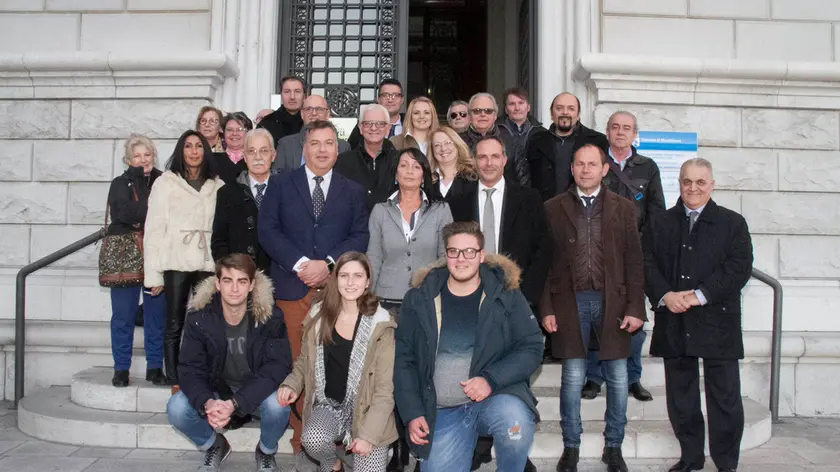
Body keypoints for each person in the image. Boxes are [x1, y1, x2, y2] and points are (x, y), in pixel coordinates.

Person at [258, 120, 370, 468]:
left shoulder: (353, 190)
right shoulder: (279, 185)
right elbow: (267, 230)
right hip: (293, 288)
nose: (322, 149)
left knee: (335, 364)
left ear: (338, 150)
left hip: (337, 292)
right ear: (303, 148)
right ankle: (300, 437)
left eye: (329, 144)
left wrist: (330, 264)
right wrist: (302, 263)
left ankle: (339, 431)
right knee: (297, 364)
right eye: (316, 143)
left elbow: (359, 235)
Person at [394, 221, 543, 472]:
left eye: (469, 252)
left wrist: (490, 379)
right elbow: (404, 360)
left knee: (515, 425)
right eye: (454, 251)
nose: (461, 259)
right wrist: (412, 412)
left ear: (481, 256)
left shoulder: (506, 295)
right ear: (446, 255)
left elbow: (532, 346)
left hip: (496, 398)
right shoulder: (419, 298)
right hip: (442, 409)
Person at [643, 158, 753, 472]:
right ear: (679, 184)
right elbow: (646, 263)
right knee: (681, 397)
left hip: (717, 322)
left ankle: (726, 462)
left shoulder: (733, 223)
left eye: (700, 182)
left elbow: (738, 268)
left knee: (725, 398)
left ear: (712, 185)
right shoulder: (660, 222)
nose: (693, 188)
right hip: (674, 319)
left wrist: (698, 296)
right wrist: (665, 295)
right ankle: (691, 457)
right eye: (687, 182)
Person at [540, 144, 646, 472]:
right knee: (572, 376)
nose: (586, 170)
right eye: (580, 164)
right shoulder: (551, 208)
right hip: (568, 302)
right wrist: (546, 307)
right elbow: (543, 263)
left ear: (604, 169)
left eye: (592, 164)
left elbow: (634, 261)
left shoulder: (625, 209)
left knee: (616, 375)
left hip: (612, 301)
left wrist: (635, 307)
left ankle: (613, 447)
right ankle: (571, 446)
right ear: (571, 169)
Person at [448, 136, 549, 472]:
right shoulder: (458, 200)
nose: (488, 163)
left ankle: (512, 443)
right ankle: (476, 445)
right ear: (474, 161)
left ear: (505, 160)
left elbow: (542, 251)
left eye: (495, 156)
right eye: (482, 157)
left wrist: (524, 298)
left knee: (506, 370)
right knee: (472, 368)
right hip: (467, 301)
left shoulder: (529, 198)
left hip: (512, 302)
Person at [166, 254, 292, 472]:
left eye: (242, 281)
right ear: (217, 283)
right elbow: (189, 368)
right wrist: (208, 403)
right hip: (217, 391)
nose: (234, 289)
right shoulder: (200, 317)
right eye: (227, 281)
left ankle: (266, 451)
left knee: (278, 405)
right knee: (176, 407)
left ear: (252, 285)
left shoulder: (271, 317)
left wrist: (236, 403)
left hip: (256, 392)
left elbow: (277, 368)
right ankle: (214, 445)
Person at [277, 252, 397, 472]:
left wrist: (368, 437)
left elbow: (384, 391)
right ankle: (332, 463)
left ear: (368, 281)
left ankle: (377, 452)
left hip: (368, 410)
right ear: (335, 279)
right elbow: (304, 361)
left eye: (358, 276)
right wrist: (291, 384)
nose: (350, 282)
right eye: (344, 276)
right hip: (330, 404)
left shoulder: (382, 325)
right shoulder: (319, 316)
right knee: (312, 439)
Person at [584, 110, 665, 403]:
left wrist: (647, 248)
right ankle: (593, 377)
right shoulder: (595, 162)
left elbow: (657, 212)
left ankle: (633, 377)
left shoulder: (648, 167)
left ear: (635, 134)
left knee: (634, 317)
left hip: (635, 254)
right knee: (595, 316)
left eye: (626, 128)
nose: (620, 132)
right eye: (615, 127)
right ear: (607, 131)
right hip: (597, 253)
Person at [144, 130, 223, 387]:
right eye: (188, 146)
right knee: (175, 322)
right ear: (181, 150)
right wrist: (153, 275)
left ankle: (204, 373)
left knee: (206, 322)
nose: (193, 151)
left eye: (199, 146)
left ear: (205, 150)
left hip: (206, 260)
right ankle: (174, 376)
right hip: (175, 258)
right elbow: (154, 229)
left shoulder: (217, 184)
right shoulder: (166, 182)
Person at [107, 134, 166, 387]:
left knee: (156, 314)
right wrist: (152, 205)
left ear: (153, 155)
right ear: (128, 160)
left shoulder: (164, 180)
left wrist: (142, 210)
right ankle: (121, 368)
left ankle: (155, 366)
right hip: (125, 256)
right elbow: (122, 212)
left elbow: (170, 213)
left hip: (157, 255)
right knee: (123, 314)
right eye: (137, 156)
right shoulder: (120, 182)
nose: (143, 160)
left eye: (147, 154)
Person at [211, 128, 276, 276]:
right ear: (244, 157)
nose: (257, 157)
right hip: (239, 278)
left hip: (280, 280)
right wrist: (230, 271)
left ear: (273, 155)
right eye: (252, 151)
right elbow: (219, 241)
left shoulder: (286, 189)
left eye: (264, 151)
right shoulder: (226, 193)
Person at [527, 92, 609, 202]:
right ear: (551, 114)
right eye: (559, 108)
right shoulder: (535, 141)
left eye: (571, 108)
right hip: (544, 210)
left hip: (584, 210)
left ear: (578, 114)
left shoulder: (598, 141)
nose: (565, 112)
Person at [334, 103, 400, 212]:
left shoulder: (399, 161)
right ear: (360, 127)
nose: (373, 128)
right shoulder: (343, 161)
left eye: (379, 124)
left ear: (388, 128)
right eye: (368, 124)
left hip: (389, 226)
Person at [274, 94, 350, 174]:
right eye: (308, 109)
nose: (314, 113)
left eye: (319, 109)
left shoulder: (343, 147)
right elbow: (278, 178)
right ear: (302, 114)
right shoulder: (285, 144)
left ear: (327, 114)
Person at [458, 93, 518, 184]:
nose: (483, 114)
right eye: (477, 111)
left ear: (495, 116)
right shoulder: (457, 142)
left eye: (488, 111)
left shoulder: (511, 140)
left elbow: (521, 177)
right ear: (469, 116)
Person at [495, 88, 545, 187]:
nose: (517, 108)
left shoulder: (541, 133)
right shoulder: (495, 132)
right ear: (506, 109)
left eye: (521, 103)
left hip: (533, 190)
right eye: (512, 104)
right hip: (503, 189)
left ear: (528, 107)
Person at [348, 78, 406, 149]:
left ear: (402, 100)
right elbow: (351, 150)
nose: (390, 100)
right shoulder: (364, 125)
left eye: (395, 95)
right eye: (385, 95)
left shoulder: (410, 124)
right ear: (378, 99)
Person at [427, 126, 478, 200]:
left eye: (447, 143)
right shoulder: (425, 180)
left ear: (457, 145)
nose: (443, 149)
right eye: (437, 145)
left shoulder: (473, 177)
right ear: (432, 150)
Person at [259, 75, 306, 145]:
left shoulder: (310, 123)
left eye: (297, 91)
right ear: (281, 95)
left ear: (304, 96)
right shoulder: (266, 124)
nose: (292, 97)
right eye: (287, 92)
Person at [213, 112, 253, 185]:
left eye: (239, 129)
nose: (234, 133)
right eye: (229, 130)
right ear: (223, 133)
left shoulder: (254, 160)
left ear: (248, 133)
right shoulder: (212, 160)